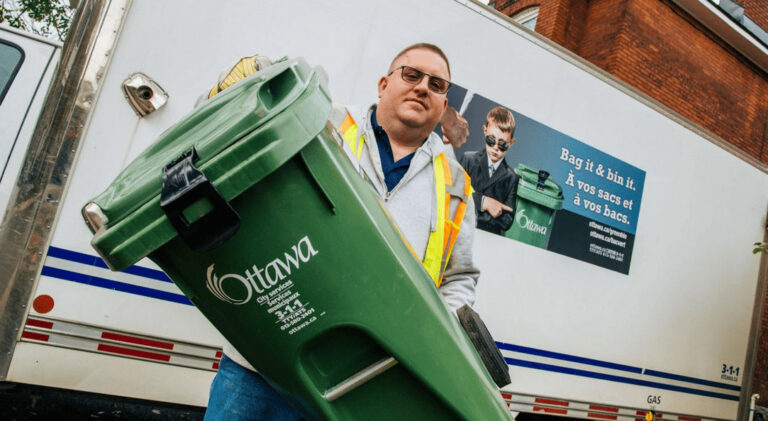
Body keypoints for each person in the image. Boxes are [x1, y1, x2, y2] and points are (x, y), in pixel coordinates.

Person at [204, 43, 479, 420]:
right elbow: (230, 128)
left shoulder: (456, 184)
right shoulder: (320, 120)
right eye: (411, 75)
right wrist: (246, 84)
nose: (422, 88)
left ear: (444, 105)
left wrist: (434, 338)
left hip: (356, 383)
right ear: (383, 84)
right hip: (263, 364)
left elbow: (460, 278)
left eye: (436, 84)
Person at [459, 106, 519, 236]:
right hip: (461, 231)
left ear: (511, 143)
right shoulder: (468, 160)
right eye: (491, 140)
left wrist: (471, 203)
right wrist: (484, 202)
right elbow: (455, 195)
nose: (495, 148)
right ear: (485, 131)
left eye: (502, 144)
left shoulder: (512, 178)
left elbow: (507, 221)